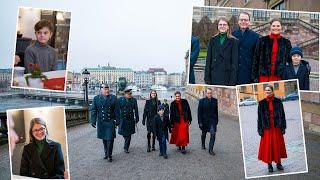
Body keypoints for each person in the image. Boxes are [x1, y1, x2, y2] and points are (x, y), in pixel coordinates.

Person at [257, 85, 287, 173]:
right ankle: (269, 165)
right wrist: (260, 129)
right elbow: (259, 118)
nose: (267, 92)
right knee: (268, 147)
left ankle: (278, 163)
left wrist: (283, 126)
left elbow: (282, 114)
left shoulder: (278, 101)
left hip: (276, 127)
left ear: (272, 91)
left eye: (269, 90)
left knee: (277, 145)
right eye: (266, 90)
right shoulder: (261, 103)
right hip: (267, 128)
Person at [252, 19, 292, 83]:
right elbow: (256, 59)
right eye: (273, 26)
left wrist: (303, 64)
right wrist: (254, 77)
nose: (276, 28)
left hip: (279, 77)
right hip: (264, 77)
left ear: (281, 27)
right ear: (270, 27)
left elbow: (291, 60)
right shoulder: (262, 41)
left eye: (278, 26)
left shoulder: (286, 42)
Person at [204, 17, 239, 86]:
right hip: (214, 74)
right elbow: (208, 60)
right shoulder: (212, 40)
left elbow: (234, 62)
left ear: (228, 27)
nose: (222, 26)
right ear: (217, 26)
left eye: (224, 24)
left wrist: (232, 80)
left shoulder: (234, 41)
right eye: (220, 24)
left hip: (227, 75)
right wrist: (207, 77)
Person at [91, 84, 119, 162]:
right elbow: (93, 110)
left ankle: (109, 155)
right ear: (101, 90)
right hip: (101, 122)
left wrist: (117, 121)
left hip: (110, 121)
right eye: (105, 89)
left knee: (110, 139)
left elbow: (116, 110)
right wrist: (93, 120)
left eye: (108, 89)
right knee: (104, 139)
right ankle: (106, 153)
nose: (107, 90)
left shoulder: (113, 98)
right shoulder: (96, 98)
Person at [232, 12, 259, 85]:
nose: (243, 22)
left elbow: (257, 57)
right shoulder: (232, 35)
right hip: (234, 73)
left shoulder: (255, 36)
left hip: (248, 73)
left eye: (246, 20)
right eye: (241, 20)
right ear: (238, 21)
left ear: (249, 22)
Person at [197, 88, 218, 156]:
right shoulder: (202, 101)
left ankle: (210, 150)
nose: (209, 94)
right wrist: (200, 122)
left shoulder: (215, 100)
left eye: (210, 93)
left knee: (213, 134)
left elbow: (216, 111)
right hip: (204, 121)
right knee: (204, 133)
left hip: (212, 121)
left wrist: (216, 120)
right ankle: (203, 144)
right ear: (206, 93)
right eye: (208, 93)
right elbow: (199, 113)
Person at [118, 87, 139, 153]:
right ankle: (126, 143)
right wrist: (117, 119)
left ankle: (126, 147)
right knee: (124, 134)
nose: (130, 95)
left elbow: (136, 110)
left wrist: (137, 118)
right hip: (123, 119)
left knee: (129, 135)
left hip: (130, 119)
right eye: (129, 94)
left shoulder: (133, 100)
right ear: (125, 94)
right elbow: (117, 110)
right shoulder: (120, 100)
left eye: (131, 93)